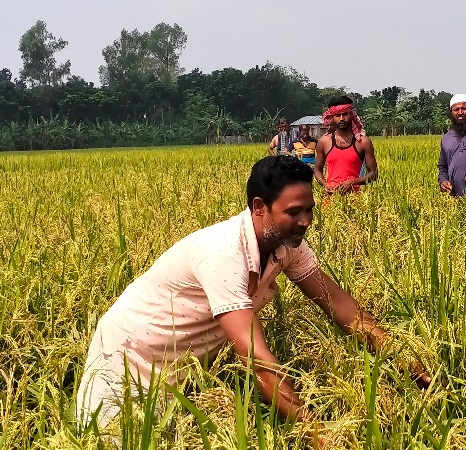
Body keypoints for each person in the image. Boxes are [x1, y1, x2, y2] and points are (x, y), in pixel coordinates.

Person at [76, 156, 430, 441]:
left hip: (182, 367)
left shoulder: (287, 245)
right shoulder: (223, 255)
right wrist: (318, 432)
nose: (305, 221)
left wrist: (401, 357)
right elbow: (254, 357)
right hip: (127, 359)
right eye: (294, 212)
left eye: (309, 210)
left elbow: (336, 303)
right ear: (260, 206)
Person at [314, 96, 377, 194]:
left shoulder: (363, 142)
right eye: (337, 115)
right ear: (332, 117)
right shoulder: (324, 142)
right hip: (330, 200)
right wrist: (325, 184)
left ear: (351, 115)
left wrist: (353, 182)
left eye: (345, 114)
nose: (342, 119)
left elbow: (373, 174)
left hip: (355, 202)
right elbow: (317, 170)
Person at [437, 94, 466, 196]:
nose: (460, 112)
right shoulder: (446, 138)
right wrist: (443, 180)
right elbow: (443, 166)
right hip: (455, 197)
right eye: (456, 109)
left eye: (464, 108)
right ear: (451, 113)